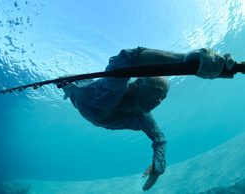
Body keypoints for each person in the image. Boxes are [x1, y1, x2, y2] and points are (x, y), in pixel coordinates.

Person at [61, 47, 235, 191]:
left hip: (95, 114)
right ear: (137, 85)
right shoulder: (110, 92)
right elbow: (126, 58)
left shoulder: (142, 117)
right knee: (71, 86)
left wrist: (158, 167)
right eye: (156, 92)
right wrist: (188, 58)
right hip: (79, 91)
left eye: (163, 97)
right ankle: (65, 84)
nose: (158, 101)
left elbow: (160, 139)